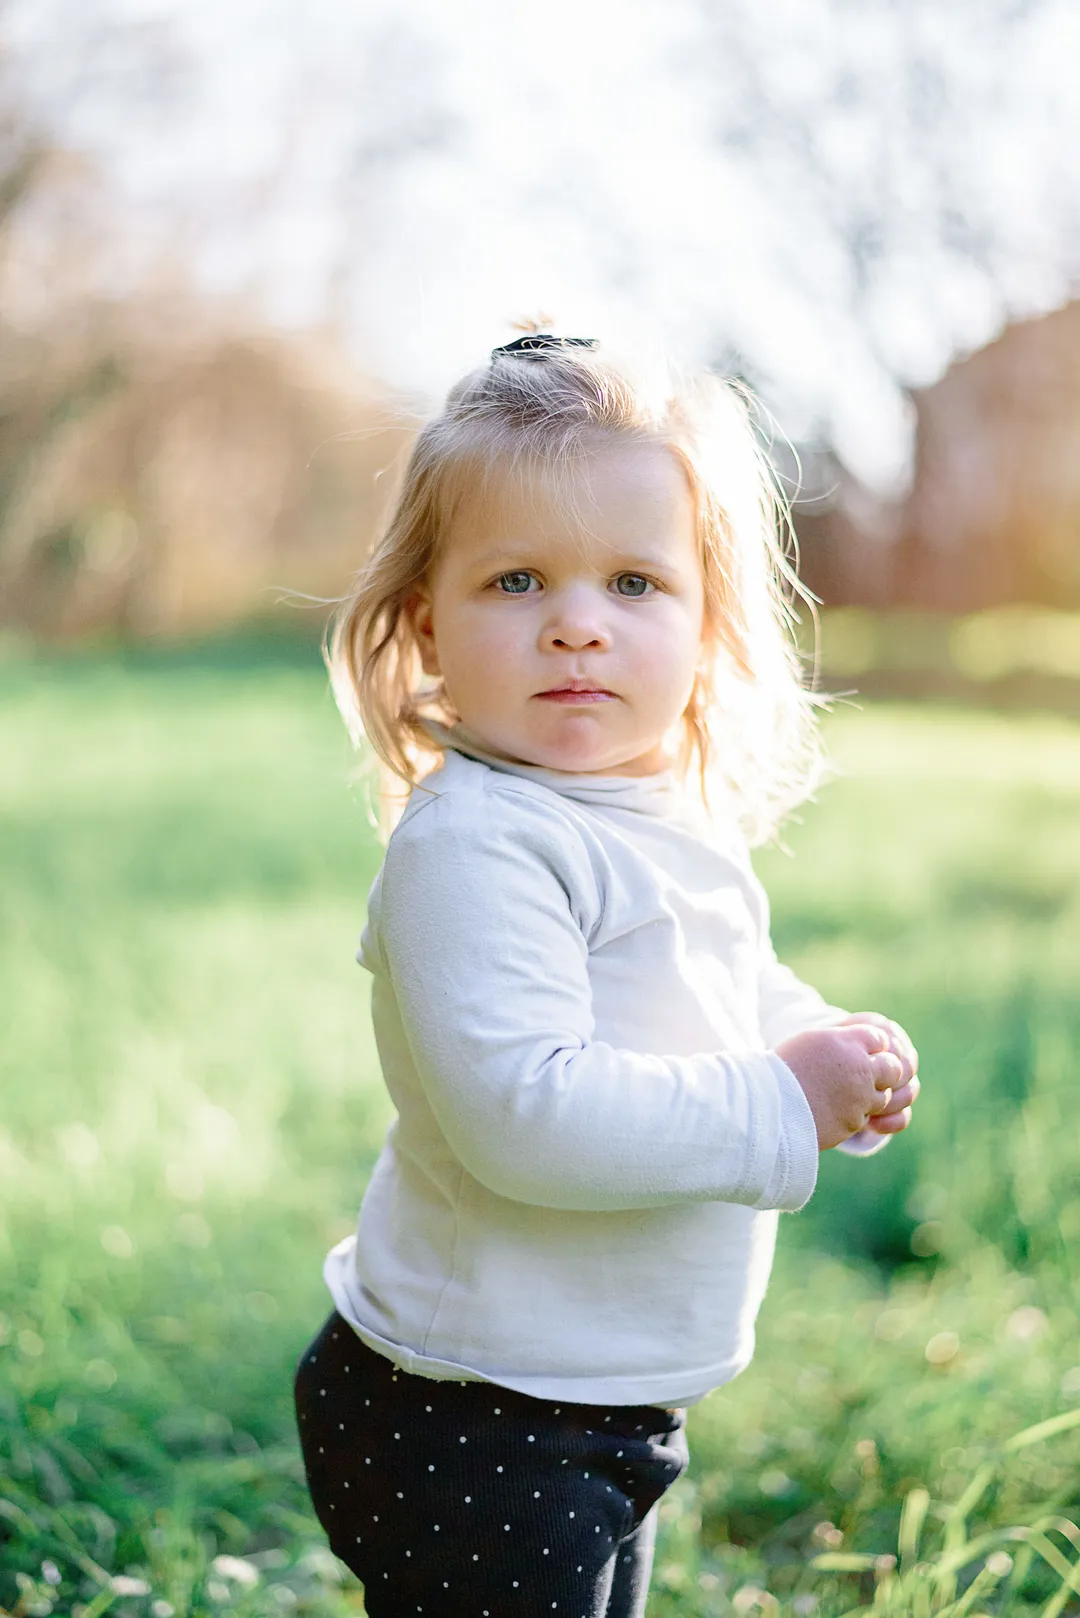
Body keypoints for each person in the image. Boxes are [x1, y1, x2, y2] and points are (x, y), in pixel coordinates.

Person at [293, 333, 919, 1618]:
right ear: (429, 626)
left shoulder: (656, 813)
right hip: (468, 1413)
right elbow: (529, 1112)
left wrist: (826, 1048)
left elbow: (728, 982)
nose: (578, 620)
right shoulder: (475, 845)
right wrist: (778, 1105)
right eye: (518, 579)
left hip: (597, 1392)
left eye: (635, 582)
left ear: (705, 624)